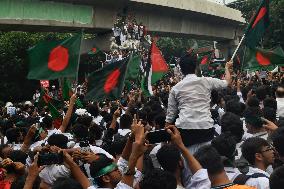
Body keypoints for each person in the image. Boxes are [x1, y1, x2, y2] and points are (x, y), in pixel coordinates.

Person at [166, 52, 232, 154]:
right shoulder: (207, 81)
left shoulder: (175, 89)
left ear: (181, 69)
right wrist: (227, 67)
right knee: (207, 163)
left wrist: (166, 136)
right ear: (196, 67)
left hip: (185, 131)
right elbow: (227, 82)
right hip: (206, 129)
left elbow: (170, 117)